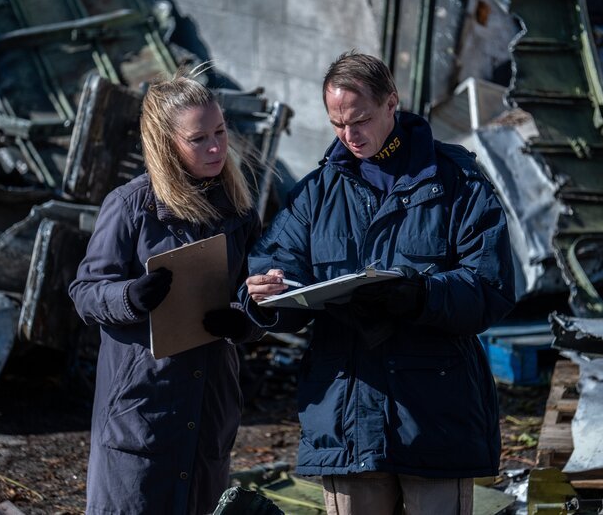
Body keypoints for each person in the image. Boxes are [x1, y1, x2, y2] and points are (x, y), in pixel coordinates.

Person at [243, 51, 516, 514]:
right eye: (337, 124)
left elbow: (491, 286)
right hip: (346, 415)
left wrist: (421, 295)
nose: (349, 136)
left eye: (360, 120)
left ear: (392, 102)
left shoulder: (458, 182)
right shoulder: (314, 195)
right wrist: (265, 295)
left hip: (434, 417)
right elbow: (274, 268)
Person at [69, 65, 262, 515]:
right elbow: (84, 291)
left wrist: (245, 319)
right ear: (166, 143)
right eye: (198, 138)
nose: (215, 147)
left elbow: (256, 297)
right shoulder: (130, 206)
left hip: (208, 411)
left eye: (220, 131)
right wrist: (129, 297)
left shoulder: (239, 212)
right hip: (142, 411)